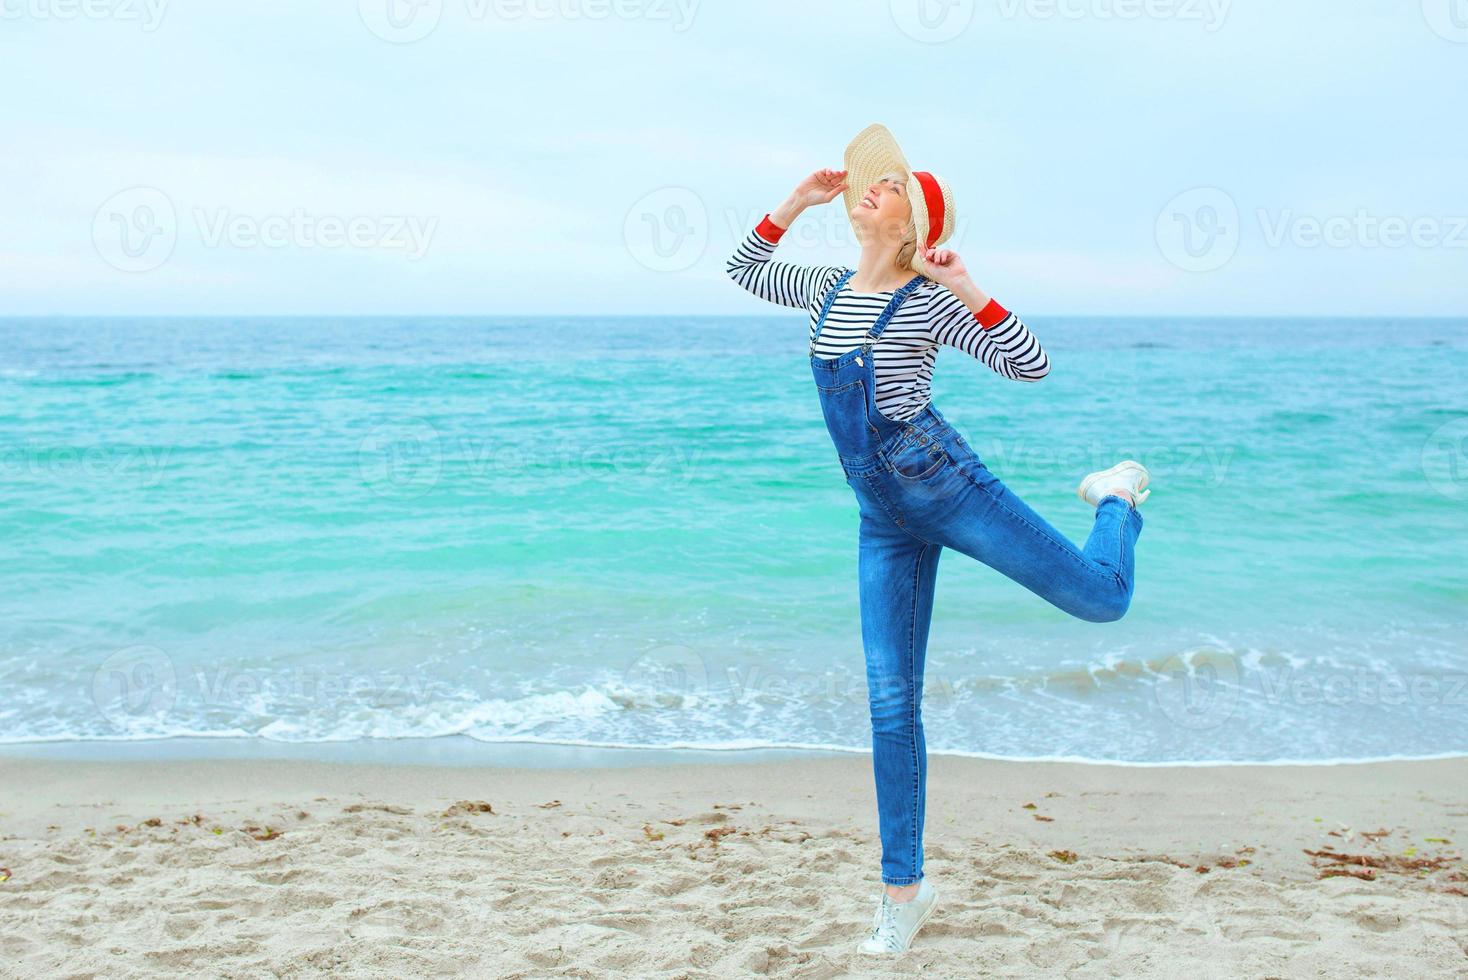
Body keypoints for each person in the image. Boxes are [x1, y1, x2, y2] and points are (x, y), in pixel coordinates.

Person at [724, 124, 1150, 956]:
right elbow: (745, 269)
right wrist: (796, 201)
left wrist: (970, 286)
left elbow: (1028, 364)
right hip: (880, 517)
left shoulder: (926, 300)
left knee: (1103, 600)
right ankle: (903, 892)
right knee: (890, 705)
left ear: (911, 225)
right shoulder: (826, 287)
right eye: (870, 186)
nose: (868, 191)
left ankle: (1116, 498)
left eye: (889, 190)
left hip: (949, 489)